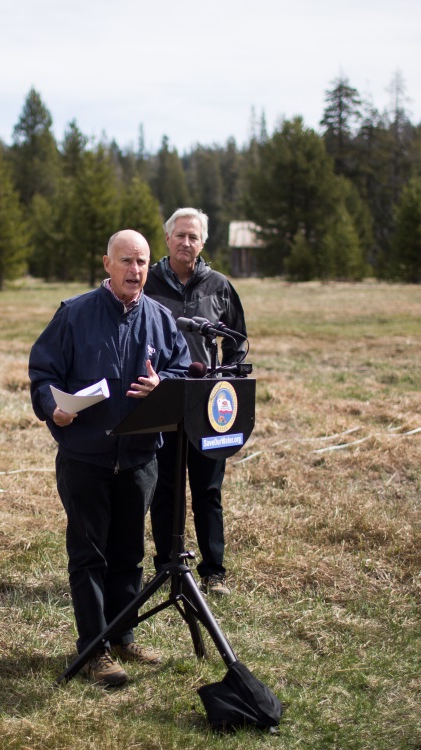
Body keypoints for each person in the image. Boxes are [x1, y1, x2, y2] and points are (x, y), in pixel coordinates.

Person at [29, 229, 191, 687]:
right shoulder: (73, 315)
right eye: (126, 262)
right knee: (89, 555)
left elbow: (181, 370)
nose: (135, 271)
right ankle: (94, 649)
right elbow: (43, 373)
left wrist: (166, 386)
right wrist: (52, 408)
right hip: (86, 457)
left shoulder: (160, 318)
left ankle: (123, 636)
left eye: (141, 262)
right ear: (106, 264)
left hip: (140, 459)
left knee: (129, 553)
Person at [144, 208, 247, 596]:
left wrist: (226, 380)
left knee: (207, 489)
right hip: (162, 397)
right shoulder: (146, 281)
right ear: (167, 239)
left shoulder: (218, 285)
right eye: (180, 235)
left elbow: (237, 340)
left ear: (203, 243)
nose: (186, 242)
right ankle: (166, 567)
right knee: (164, 487)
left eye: (194, 237)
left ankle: (213, 572)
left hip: (208, 405)